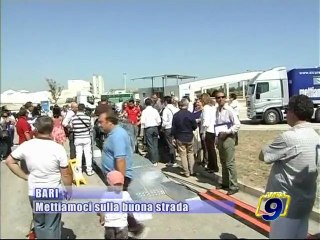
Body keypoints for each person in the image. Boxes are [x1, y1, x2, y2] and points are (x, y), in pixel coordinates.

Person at [259, 95, 319, 239]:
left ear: (293, 112)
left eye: (287, 109)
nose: (286, 113)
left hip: (284, 203)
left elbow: (263, 156)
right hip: (305, 201)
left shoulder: (288, 137)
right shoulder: (316, 136)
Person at [5, 116, 73, 239]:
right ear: (52, 129)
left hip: (34, 191)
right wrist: (69, 190)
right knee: (52, 225)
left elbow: (10, 161)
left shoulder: (27, 145)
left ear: (35, 128)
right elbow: (66, 173)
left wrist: (25, 176)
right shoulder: (58, 148)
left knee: (39, 223)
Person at [98, 109, 147, 238]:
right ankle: (134, 227)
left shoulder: (118, 135)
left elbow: (120, 158)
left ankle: (130, 229)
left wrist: (120, 180)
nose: (99, 125)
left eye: (101, 122)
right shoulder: (114, 134)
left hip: (118, 178)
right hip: (114, 177)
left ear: (109, 122)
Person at [215, 91, 241, 195]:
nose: (220, 99)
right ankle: (225, 183)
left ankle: (234, 185)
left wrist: (227, 132)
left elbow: (237, 124)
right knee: (223, 161)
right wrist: (217, 138)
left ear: (225, 98)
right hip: (220, 137)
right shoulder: (217, 110)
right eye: (218, 97)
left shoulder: (229, 109)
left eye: (222, 97)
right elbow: (217, 124)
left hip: (228, 137)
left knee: (230, 162)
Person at [99, 171, 132, 239]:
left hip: (109, 225)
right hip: (122, 225)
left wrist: (102, 219)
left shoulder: (105, 196)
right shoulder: (125, 195)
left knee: (109, 237)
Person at [172, 99, 198, 177]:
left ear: (180, 106)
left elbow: (174, 128)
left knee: (182, 155)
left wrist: (173, 137)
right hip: (189, 136)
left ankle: (186, 172)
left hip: (180, 136)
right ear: (187, 105)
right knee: (190, 153)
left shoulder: (176, 115)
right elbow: (195, 126)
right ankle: (192, 170)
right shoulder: (190, 114)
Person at [71, 103, 94, 176]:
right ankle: (89, 170)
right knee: (88, 154)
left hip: (77, 138)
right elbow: (91, 127)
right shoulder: (87, 118)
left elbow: (72, 127)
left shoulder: (73, 118)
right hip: (86, 138)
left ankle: (79, 171)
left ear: (78, 109)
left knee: (78, 155)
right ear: (84, 109)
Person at [140, 98, 161, 166]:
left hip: (148, 128)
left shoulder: (144, 111)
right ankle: (157, 159)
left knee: (150, 144)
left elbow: (142, 122)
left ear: (145, 104)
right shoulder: (155, 110)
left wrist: (142, 131)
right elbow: (159, 121)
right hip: (155, 127)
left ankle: (153, 160)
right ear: (151, 103)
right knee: (155, 144)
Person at [200, 93, 218, 173]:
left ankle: (213, 166)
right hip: (213, 129)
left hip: (208, 130)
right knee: (211, 149)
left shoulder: (205, 108)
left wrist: (203, 132)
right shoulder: (212, 107)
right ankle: (212, 165)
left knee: (210, 150)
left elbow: (205, 121)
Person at [161, 96, 179, 167]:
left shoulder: (166, 109)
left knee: (170, 145)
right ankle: (175, 158)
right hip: (175, 128)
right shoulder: (175, 108)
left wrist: (162, 128)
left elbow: (164, 121)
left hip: (168, 128)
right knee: (174, 144)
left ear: (165, 102)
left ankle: (173, 160)